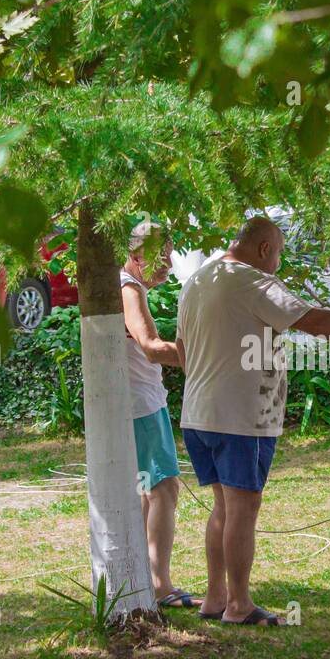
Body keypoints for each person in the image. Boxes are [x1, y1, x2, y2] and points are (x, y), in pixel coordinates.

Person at [176, 215, 330, 625]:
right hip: (240, 417)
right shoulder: (252, 280)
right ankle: (238, 604)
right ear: (263, 249)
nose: (278, 265)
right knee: (243, 506)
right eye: (278, 255)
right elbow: (315, 320)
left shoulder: (197, 281)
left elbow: (183, 351)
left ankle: (214, 598)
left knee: (223, 506)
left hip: (198, 412)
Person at [120, 223, 194, 609]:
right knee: (164, 488)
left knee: (151, 492)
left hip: (142, 403)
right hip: (142, 406)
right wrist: (207, 355)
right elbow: (150, 347)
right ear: (135, 256)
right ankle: (161, 585)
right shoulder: (129, 288)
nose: (168, 264)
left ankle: (146, 578)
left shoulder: (130, 286)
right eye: (159, 256)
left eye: (170, 253)